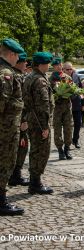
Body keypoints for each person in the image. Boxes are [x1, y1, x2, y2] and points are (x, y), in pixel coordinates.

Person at [23, 51, 54, 195]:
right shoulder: (40, 80)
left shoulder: (30, 76)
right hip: (39, 122)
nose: (49, 66)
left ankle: (34, 180)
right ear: (42, 64)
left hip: (31, 118)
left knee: (35, 150)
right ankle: (35, 183)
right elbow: (43, 105)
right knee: (41, 151)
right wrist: (45, 126)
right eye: (47, 64)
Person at [0, 38, 25, 215]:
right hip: (5, 130)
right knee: (5, 162)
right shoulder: (5, 74)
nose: (19, 59)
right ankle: (1, 201)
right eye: (17, 55)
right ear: (11, 54)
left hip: (7, 128)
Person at [8, 51, 29, 186]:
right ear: (19, 63)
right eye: (24, 61)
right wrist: (22, 120)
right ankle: (13, 175)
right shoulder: (16, 77)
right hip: (17, 120)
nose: (26, 64)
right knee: (17, 148)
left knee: (21, 147)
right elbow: (18, 102)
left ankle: (15, 174)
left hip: (20, 119)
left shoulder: (21, 76)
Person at [49, 58, 73, 160]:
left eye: (60, 65)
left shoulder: (67, 77)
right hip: (57, 107)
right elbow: (49, 92)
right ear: (53, 67)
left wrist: (71, 91)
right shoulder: (51, 79)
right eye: (56, 65)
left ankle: (67, 148)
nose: (59, 66)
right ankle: (60, 150)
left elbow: (72, 89)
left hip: (67, 106)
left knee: (68, 127)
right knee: (57, 128)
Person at [63, 62, 82, 148]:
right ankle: (67, 141)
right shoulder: (61, 78)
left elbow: (81, 90)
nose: (70, 71)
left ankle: (76, 140)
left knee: (78, 123)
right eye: (68, 69)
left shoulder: (76, 76)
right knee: (68, 125)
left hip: (76, 104)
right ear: (63, 70)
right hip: (66, 105)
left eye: (71, 69)